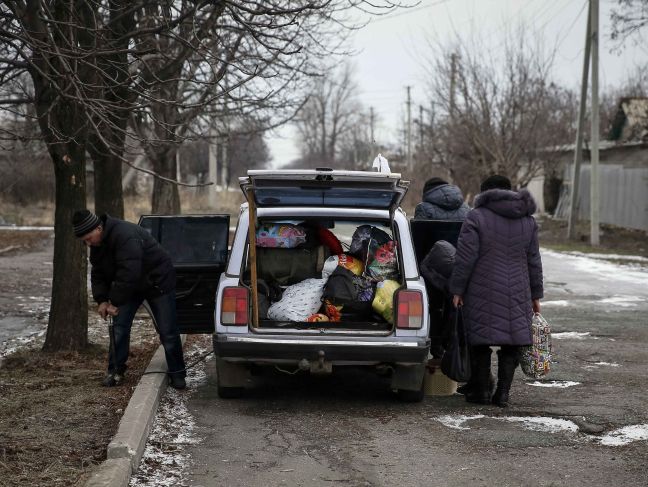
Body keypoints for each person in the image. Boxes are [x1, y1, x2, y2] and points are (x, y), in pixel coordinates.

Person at [449, 175, 543, 407]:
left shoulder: (476, 216)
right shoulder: (527, 220)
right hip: (518, 291)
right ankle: (502, 394)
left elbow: (465, 258)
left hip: (482, 289)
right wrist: (535, 294)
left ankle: (480, 392)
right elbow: (534, 260)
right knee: (511, 343)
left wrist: (457, 289)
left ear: (484, 193)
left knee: (479, 341)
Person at [72, 209, 187, 389]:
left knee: (168, 331)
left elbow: (129, 273)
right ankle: (115, 371)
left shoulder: (125, 235)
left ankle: (178, 373)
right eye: (84, 241)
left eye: (88, 238)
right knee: (119, 328)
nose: (88, 244)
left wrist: (114, 302)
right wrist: (102, 299)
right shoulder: (97, 246)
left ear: (99, 228)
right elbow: (98, 273)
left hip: (157, 282)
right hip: (130, 287)